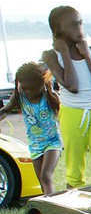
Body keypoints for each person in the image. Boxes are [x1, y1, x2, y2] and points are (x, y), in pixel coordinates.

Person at [42, 5, 91, 189]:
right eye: (73, 25)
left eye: (80, 23)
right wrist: (65, 53)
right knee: (75, 170)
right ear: (59, 30)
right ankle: (73, 211)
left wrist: (87, 56)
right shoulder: (51, 55)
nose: (79, 29)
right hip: (72, 114)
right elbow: (72, 85)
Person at [0, 62, 61, 194]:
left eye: (31, 88)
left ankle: (51, 208)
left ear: (41, 84)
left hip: (53, 142)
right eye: (24, 88)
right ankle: (47, 209)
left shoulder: (50, 97)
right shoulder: (19, 97)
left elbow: (64, 116)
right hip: (35, 145)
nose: (27, 92)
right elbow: (5, 111)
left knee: (46, 176)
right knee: (41, 181)